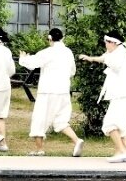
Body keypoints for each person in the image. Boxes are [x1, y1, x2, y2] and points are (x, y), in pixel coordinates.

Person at [19, 28, 83, 157]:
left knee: (39, 119)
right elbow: (72, 71)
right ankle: (77, 140)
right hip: (63, 91)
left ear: (50, 38)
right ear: (62, 38)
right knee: (61, 120)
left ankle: (39, 149)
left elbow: (32, 63)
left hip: (47, 91)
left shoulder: (47, 52)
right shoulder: (68, 52)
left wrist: (23, 58)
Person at [79, 33, 126, 162]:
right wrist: (90, 58)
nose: (105, 44)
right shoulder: (117, 53)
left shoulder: (120, 54)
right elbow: (103, 58)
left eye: (107, 42)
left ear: (114, 43)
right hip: (123, 96)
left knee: (110, 124)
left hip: (123, 97)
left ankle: (121, 151)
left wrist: (100, 58)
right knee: (121, 126)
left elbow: (110, 61)